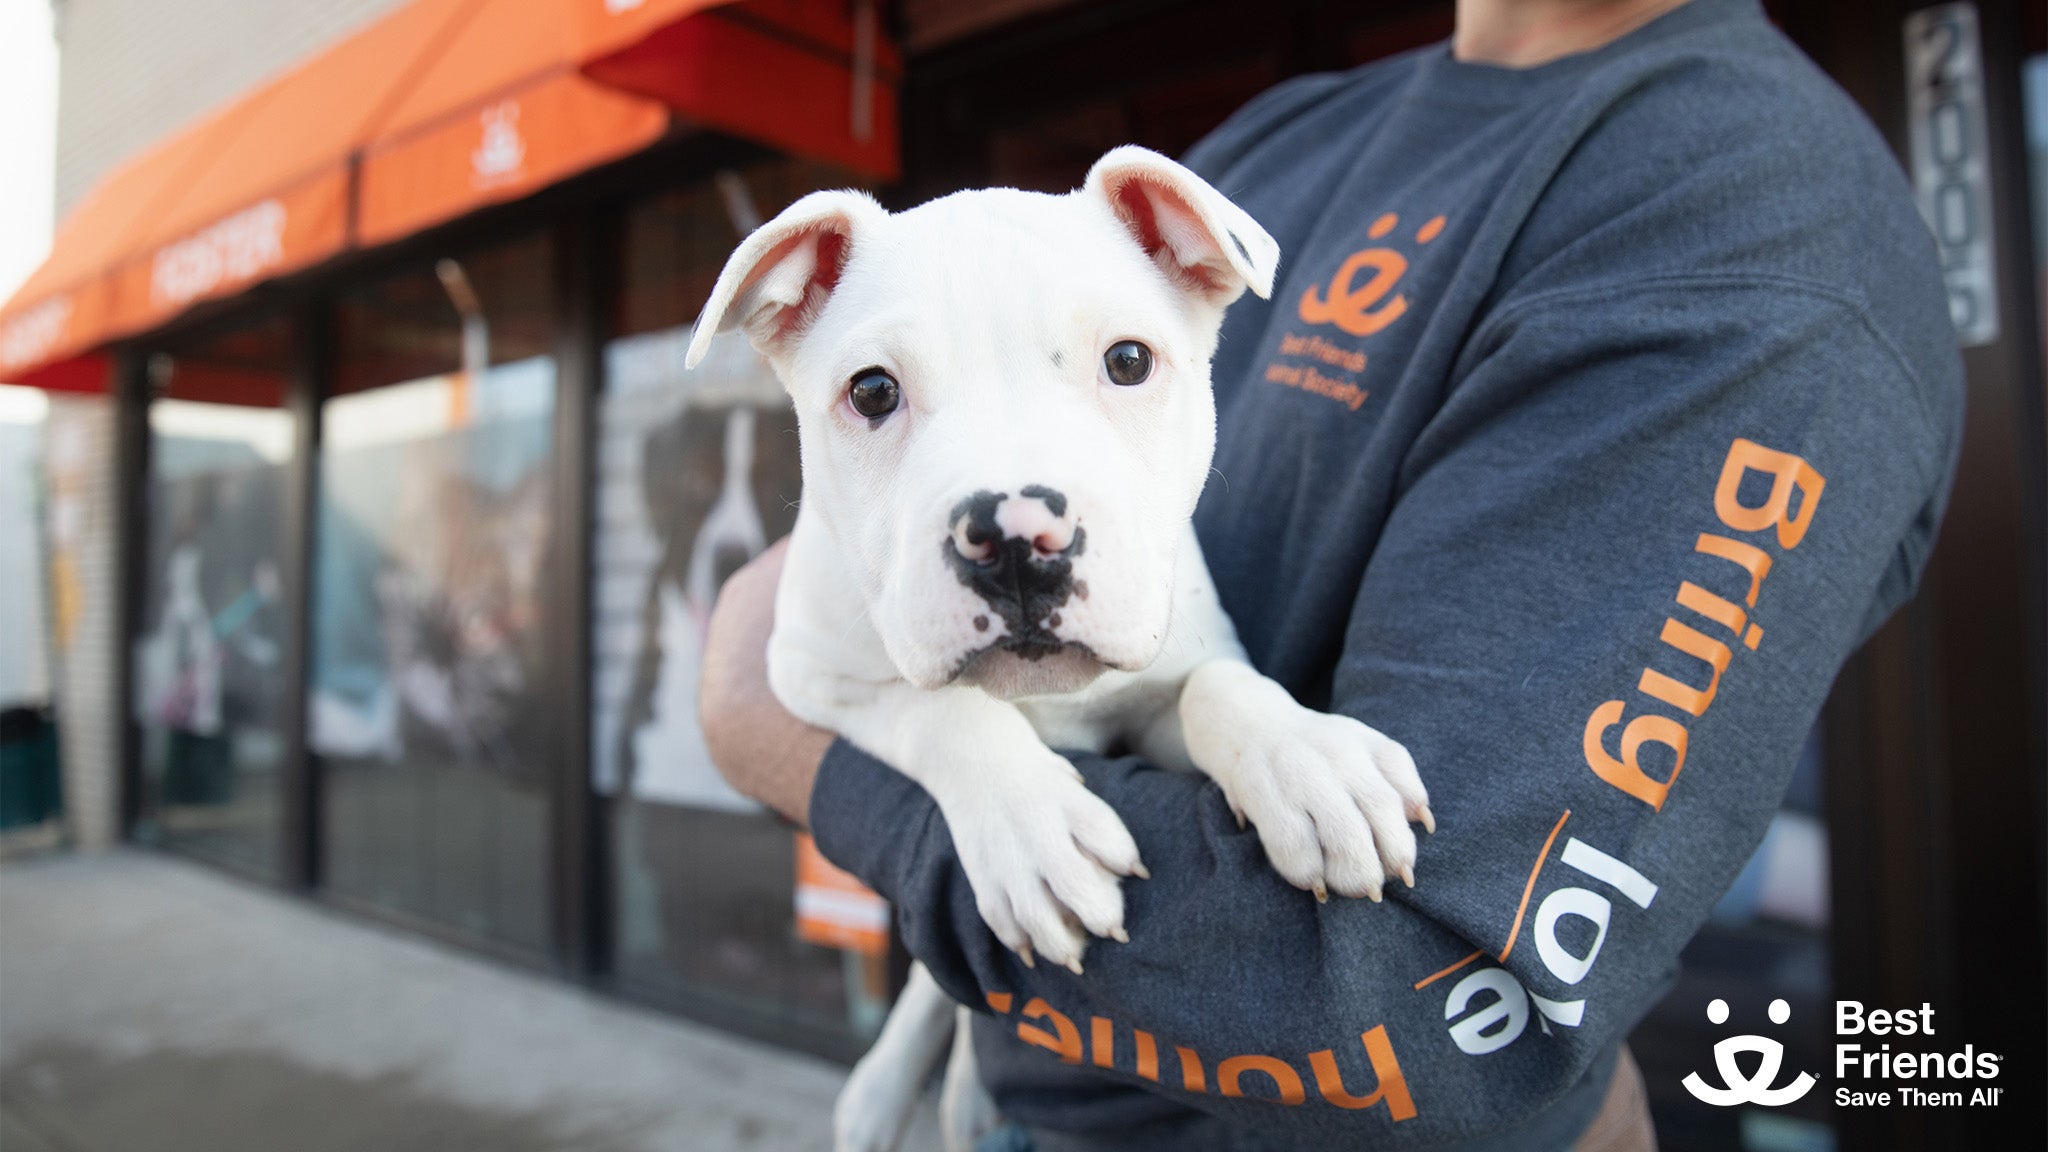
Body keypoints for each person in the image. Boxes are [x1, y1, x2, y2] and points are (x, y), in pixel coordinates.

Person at [698, 0, 1966, 1147]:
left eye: (1123, 368)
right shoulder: (1276, 141)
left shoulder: (1752, 226)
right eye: (876, 391)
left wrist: (780, 735)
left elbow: (1435, 999)